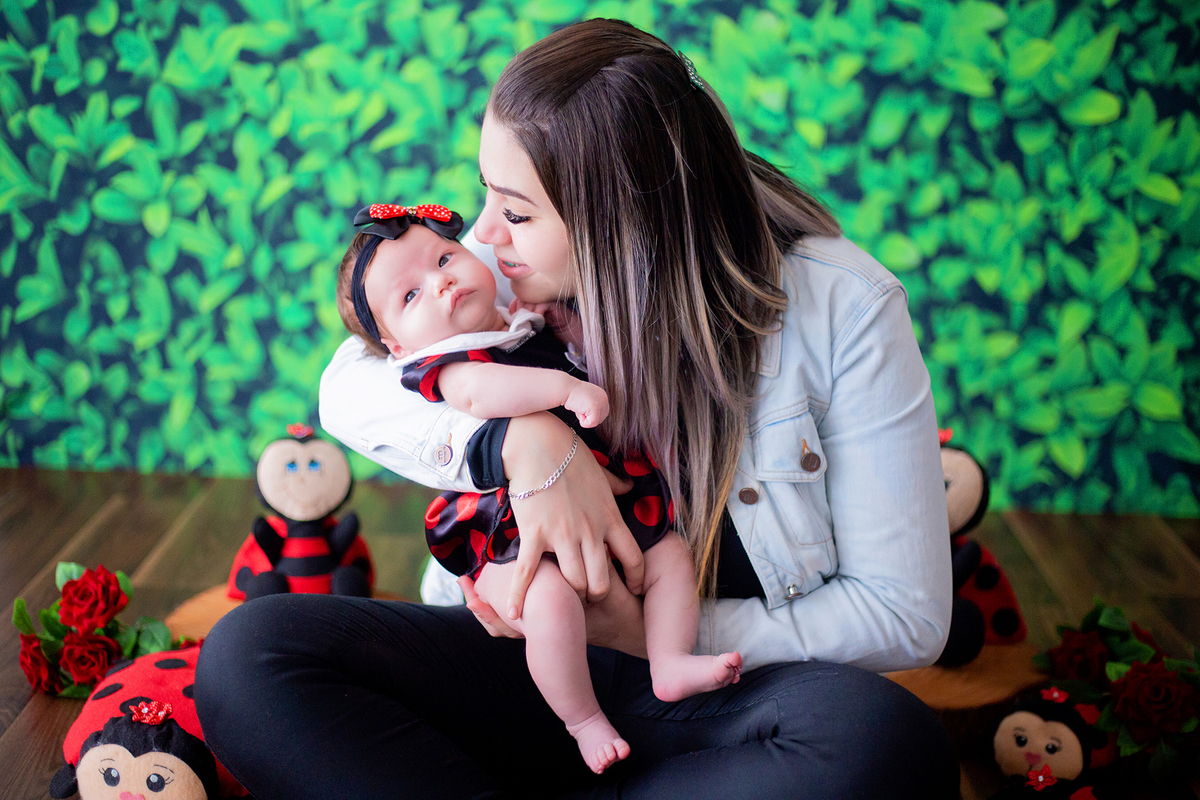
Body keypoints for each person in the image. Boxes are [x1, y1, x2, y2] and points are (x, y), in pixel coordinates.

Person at [196, 18, 959, 799]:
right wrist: (525, 448)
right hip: (523, 661)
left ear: (623, 221)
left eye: (515, 211)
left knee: (886, 746)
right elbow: (350, 380)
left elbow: (904, 614)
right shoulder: (506, 264)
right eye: (487, 196)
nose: (484, 232)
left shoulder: (845, 306)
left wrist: (639, 633)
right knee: (249, 656)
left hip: (718, 692)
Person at [330, 200, 743, 772]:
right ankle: (582, 719)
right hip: (504, 530)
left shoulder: (518, 317)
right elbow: (483, 395)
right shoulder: (446, 363)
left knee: (671, 556)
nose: (442, 280)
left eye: (446, 257)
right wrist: (564, 391)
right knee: (546, 602)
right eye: (410, 296)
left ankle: (668, 660)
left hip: (599, 498)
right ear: (398, 345)